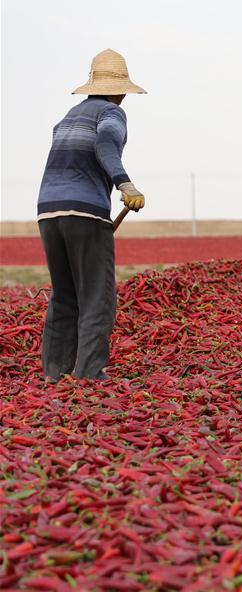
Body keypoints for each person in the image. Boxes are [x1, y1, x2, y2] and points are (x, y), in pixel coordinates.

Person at [36, 49, 147, 381]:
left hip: (48, 211)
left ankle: (54, 373)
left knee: (65, 295)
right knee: (97, 295)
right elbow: (106, 144)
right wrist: (124, 184)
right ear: (119, 90)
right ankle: (88, 375)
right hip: (86, 213)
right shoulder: (111, 113)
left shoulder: (68, 117)